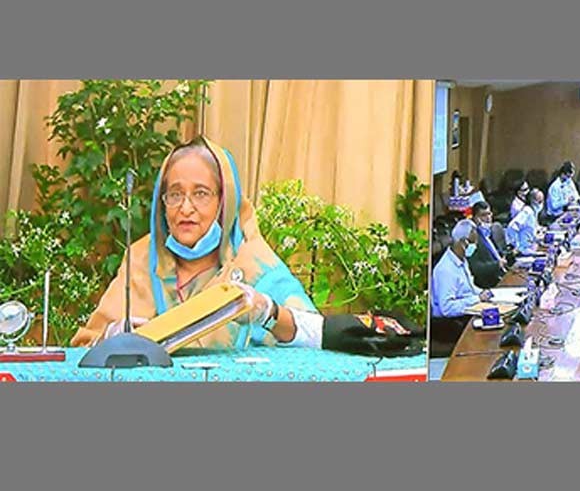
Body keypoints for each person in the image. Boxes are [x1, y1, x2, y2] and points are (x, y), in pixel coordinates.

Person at [71, 137, 385, 353]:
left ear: (226, 202)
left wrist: (266, 311)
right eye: (175, 194)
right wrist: (112, 337)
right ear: (161, 202)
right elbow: (84, 346)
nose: (186, 208)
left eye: (201, 193)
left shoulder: (254, 263)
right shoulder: (141, 257)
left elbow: (314, 340)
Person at [431, 219, 492, 318]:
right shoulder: (445, 269)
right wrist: (477, 299)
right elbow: (447, 308)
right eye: (473, 243)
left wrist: (481, 292)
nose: (475, 247)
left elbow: (469, 289)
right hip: (452, 322)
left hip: (469, 309)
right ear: (463, 242)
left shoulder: (462, 260)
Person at [468, 201, 506, 288]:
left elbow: (499, 252)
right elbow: (475, 268)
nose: (488, 218)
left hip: (502, 274)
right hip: (489, 283)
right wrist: (497, 265)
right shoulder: (473, 238)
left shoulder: (490, 231)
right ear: (475, 218)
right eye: (483, 215)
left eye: (489, 214)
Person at [506, 188, 544, 253]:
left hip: (531, 244)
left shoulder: (534, 212)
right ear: (532, 201)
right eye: (540, 201)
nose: (542, 204)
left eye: (542, 200)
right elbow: (511, 227)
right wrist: (517, 246)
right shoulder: (526, 212)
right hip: (524, 248)